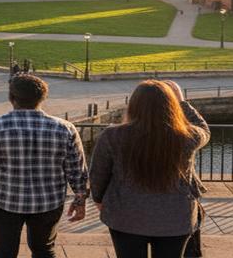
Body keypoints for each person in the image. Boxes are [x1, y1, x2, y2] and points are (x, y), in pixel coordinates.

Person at [0, 73, 89, 258]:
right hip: (48, 202)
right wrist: (80, 201)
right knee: (44, 250)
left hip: (4, 201)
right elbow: (77, 171)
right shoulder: (65, 128)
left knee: (3, 253)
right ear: (42, 98)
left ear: (11, 98)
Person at [89, 80, 209, 258]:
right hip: (175, 217)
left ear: (134, 105)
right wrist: (182, 101)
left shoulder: (113, 135)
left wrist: (98, 198)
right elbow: (204, 130)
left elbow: (98, 174)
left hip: (126, 215)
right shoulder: (186, 136)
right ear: (171, 105)